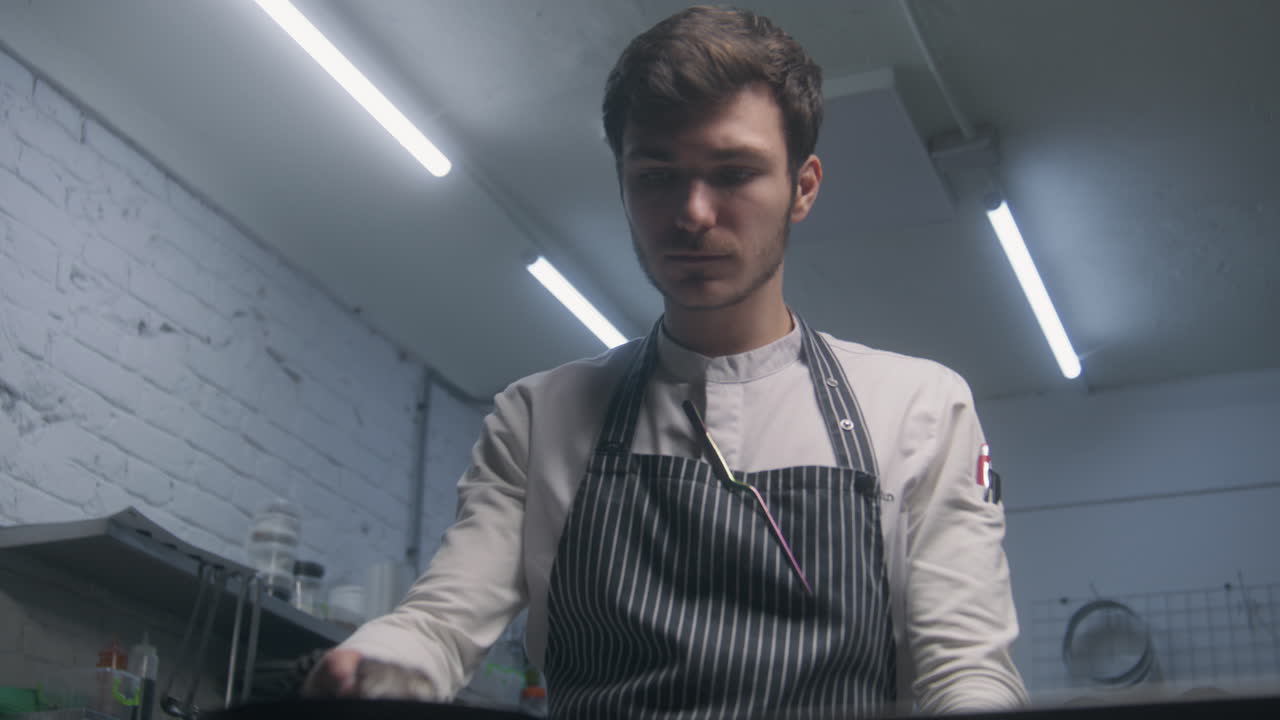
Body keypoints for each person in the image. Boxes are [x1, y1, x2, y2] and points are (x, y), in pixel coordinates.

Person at [305, 5, 1029, 717]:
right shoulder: (537, 418)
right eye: (656, 176)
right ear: (623, 183)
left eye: (734, 172)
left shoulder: (920, 407)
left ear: (802, 188)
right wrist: (374, 669)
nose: (693, 214)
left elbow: (965, 670)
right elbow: (438, 625)